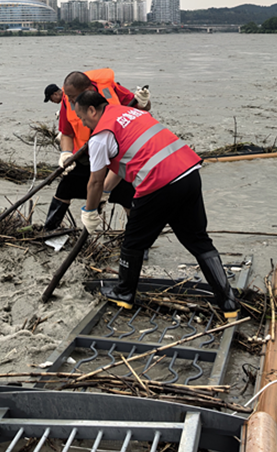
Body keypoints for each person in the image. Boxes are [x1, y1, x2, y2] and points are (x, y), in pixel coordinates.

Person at [73, 90, 240, 319]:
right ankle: (228, 302)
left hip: (159, 182)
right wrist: (107, 193)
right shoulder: (129, 112)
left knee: (133, 242)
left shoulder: (100, 136)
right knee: (198, 240)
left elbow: (95, 180)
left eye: (82, 118)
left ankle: (124, 294)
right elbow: (122, 166)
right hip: (188, 172)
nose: (83, 123)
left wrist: (90, 211)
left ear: (92, 110)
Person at [43, 69, 150, 231]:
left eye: (73, 97)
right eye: (68, 96)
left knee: (129, 197)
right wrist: (66, 153)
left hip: (115, 156)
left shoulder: (110, 88)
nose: (70, 101)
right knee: (65, 189)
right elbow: (67, 133)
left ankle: (138, 240)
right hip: (85, 155)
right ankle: (49, 229)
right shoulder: (66, 101)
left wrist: (143, 102)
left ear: (88, 92)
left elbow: (142, 109)